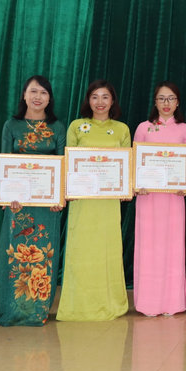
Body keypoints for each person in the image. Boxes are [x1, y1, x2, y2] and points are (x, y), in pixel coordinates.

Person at [0, 75, 66, 327]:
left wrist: (60, 197)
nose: (38, 97)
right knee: (16, 255)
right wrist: (5, 196)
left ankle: (37, 311)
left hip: (47, 207)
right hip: (18, 205)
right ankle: (12, 310)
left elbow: (62, 165)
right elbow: (3, 161)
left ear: (49, 98)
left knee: (43, 256)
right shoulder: (11, 125)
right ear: (24, 95)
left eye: (43, 92)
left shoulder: (57, 127)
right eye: (33, 91)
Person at [56, 80, 131, 321]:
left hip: (108, 202)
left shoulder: (121, 129)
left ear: (113, 100)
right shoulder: (77, 126)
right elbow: (68, 163)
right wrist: (68, 188)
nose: (100, 102)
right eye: (95, 97)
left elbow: (127, 166)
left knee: (106, 250)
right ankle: (77, 304)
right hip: (83, 200)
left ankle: (109, 302)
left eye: (105, 97)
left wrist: (126, 187)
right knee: (81, 250)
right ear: (88, 100)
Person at [133, 82, 186, 317]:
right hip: (148, 198)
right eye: (161, 98)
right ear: (155, 102)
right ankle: (147, 302)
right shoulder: (143, 128)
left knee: (172, 247)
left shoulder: (184, 129)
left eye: (171, 98)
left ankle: (172, 303)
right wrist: (137, 184)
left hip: (173, 200)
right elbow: (135, 162)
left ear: (177, 103)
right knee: (149, 248)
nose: (166, 103)